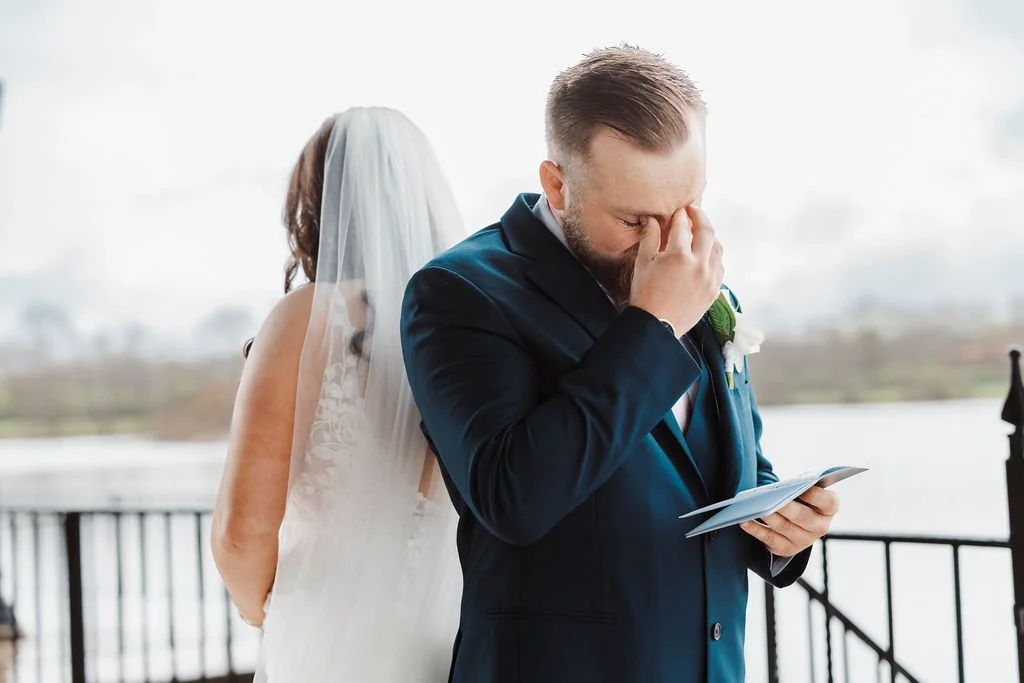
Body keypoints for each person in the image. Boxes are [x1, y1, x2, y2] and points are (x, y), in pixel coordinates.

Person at [400, 46, 841, 683]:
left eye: (686, 208)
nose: (669, 242)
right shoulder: (460, 293)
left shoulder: (696, 282)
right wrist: (654, 325)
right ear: (557, 185)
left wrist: (784, 528)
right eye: (634, 219)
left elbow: (723, 477)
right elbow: (512, 498)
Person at [211, 107, 466, 682]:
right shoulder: (475, 325)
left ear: (315, 208)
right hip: (452, 636)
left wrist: (277, 615)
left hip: (328, 645)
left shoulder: (306, 320)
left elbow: (241, 533)